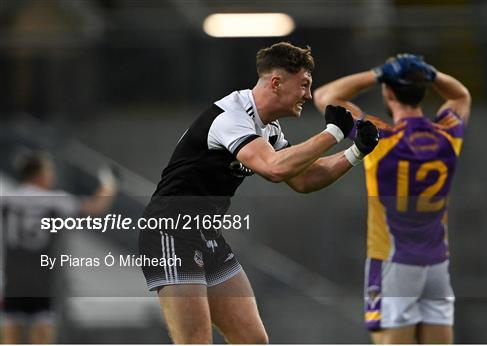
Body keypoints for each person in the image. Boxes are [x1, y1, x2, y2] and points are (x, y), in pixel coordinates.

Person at [138, 41, 379, 344]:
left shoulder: (269, 128)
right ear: (276, 82)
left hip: (206, 236)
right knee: (196, 342)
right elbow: (274, 168)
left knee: (253, 340)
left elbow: (304, 179)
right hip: (170, 232)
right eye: (304, 84)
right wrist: (332, 133)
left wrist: (356, 151)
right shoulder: (231, 117)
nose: (307, 94)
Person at [314, 54, 471, 344]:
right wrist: (430, 73)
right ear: (423, 90)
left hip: (394, 265)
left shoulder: (380, 138)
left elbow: (325, 96)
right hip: (436, 264)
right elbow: (461, 95)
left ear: (387, 91)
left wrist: (377, 73)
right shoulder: (447, 134)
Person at [0, 151, 117, 344]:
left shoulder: (7, 199)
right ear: (39, 173)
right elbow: (96, 207)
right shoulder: (56, 200)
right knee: (42, 337)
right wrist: (110, 184)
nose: (52, 174)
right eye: (49, 169)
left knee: (10, 338)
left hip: (13, 281)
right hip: (41, 282)